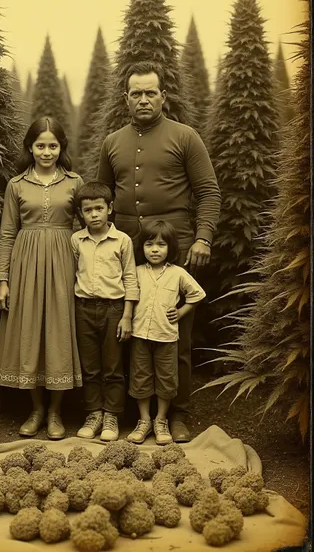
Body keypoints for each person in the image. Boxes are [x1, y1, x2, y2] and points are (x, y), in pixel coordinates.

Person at [98, 60, 221, 442]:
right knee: (128, 329)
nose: (144, 99)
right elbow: (101, 198)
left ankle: (177, 412)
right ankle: (131, 412)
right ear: (126, 98)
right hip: (126, 253)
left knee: (175, 332)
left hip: (174, 250)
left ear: (163, 97)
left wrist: (203, 238)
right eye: (136, 93)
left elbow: (209, 192)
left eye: (151, 92)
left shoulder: (185, 136)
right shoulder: (113, 142)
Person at [0, 117, 83, 440]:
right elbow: (6, 233)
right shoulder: (16, 185)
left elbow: (85, 228)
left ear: (61, 147)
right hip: (25, 263)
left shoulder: (74, 182)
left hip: (63, 262)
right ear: (30, 147)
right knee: (29, 329)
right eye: (40, 145)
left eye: (53, 145)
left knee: (58, 329)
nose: (47, 152)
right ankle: (36, 409)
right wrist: (3, 278)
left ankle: (56, 411)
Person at [71, 181, 139, 442]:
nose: (94, 214)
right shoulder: (76, 240)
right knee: (90, 368)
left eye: (99, 208)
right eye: (88, 210)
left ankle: (111, 415)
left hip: (114, 309)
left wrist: (127, 315)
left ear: (110, 208)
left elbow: (130, 277)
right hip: (84, 308)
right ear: (81, 213)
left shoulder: (122, 241)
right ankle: (93, 413)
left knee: (112, 366)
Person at [128, 220, 206, 445]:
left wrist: (181, 312)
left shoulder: (178, 273)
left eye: (161, 245)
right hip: (140, 335)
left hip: (166, 337)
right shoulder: (137, 272)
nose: (154, 249)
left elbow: (197, 294)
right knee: (141, 377)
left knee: (166, 379)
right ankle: (144, 421)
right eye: (149, 244)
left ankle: (161, 420)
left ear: (170, 248)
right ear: (142, 247)